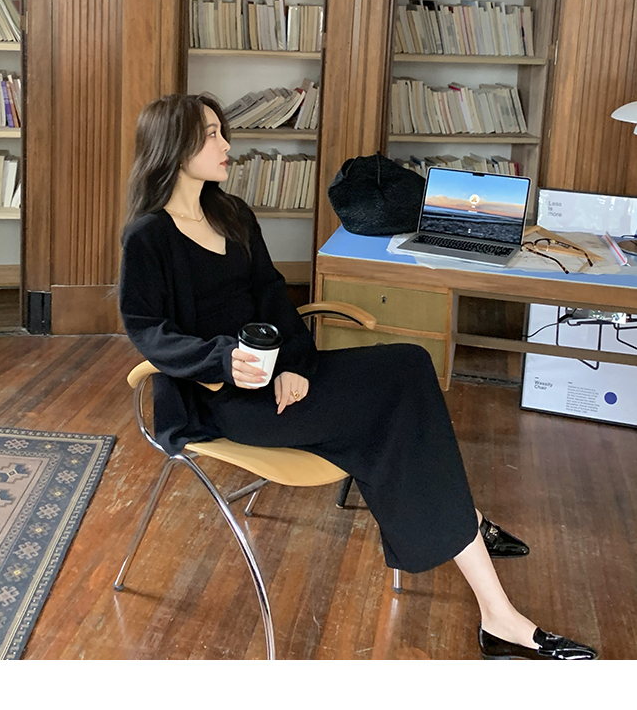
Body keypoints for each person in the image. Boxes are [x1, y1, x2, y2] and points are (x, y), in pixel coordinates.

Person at [119, 93, 597, 661]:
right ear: (173, 148)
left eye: (223, 131)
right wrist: (225, 361)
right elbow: (148, 330)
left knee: (409, 366)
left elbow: (273, 297)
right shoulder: (148, 236)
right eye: (211, 135)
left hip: (286, 380)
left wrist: (292, 365)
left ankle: (482, 571)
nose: (227, 145)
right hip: (228, 400)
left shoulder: (233, 214)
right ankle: (494, 597)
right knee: (393, 418)